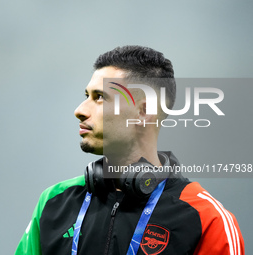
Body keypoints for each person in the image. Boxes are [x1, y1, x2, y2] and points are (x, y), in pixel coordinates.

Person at [15, 46, 245, 255]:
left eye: (100, 98)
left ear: (144, 112)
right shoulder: (54, 201)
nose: (80, 110)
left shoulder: (206, 218)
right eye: (87, 96)